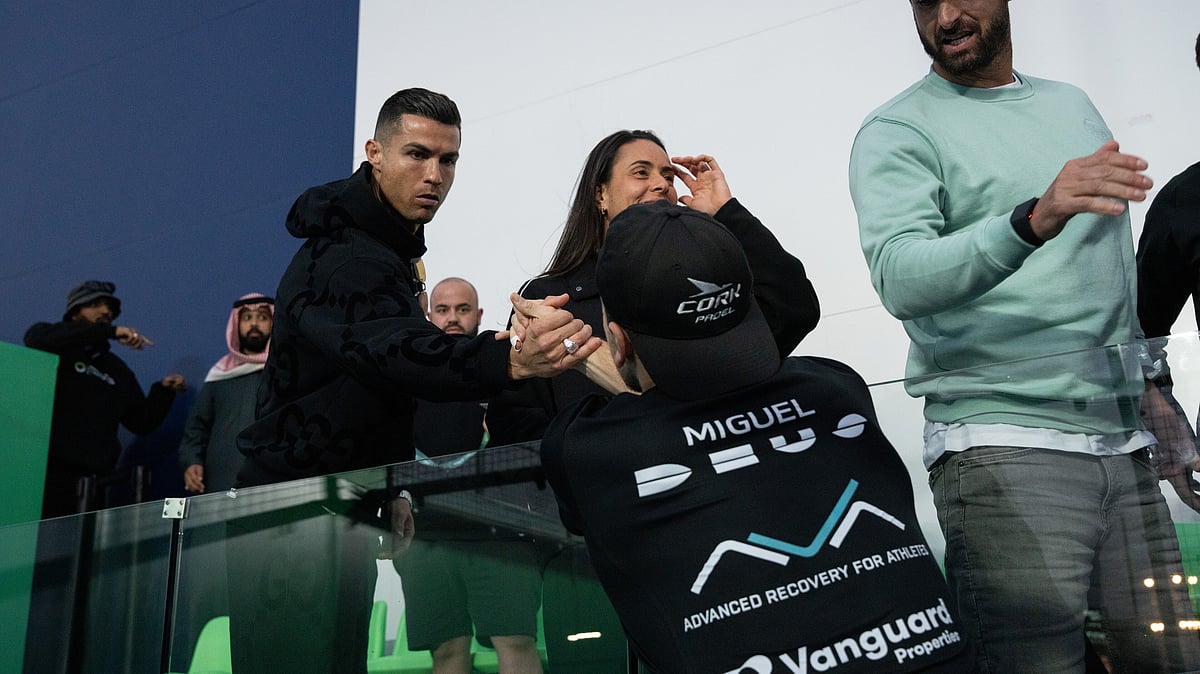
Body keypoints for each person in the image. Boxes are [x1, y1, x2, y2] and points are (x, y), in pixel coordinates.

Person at [849, 1, 1200, 670]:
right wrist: (1032, 219)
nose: (946, 16)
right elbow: (899, 275)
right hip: (1004, 448)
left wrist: (1151, 398)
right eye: (926, 3)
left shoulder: (1072, 104)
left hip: (1124, 449)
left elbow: (1107, 275)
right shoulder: (897, 130)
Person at [227, 88, 598, 674]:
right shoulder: (349, 259)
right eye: (417, 155)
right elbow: (393, 351)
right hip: (290, 521)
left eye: (448, 160)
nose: (434, 175)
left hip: (331, 510)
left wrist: (390, 488)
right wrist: (507, 362)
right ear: (375, 152)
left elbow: (368, 389)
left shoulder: (382, 249)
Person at [541, 201, 973, 673]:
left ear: (620, 340)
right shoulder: (836, 388)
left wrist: (585, 353)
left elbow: (641, 423)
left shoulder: (588, 447)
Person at [486, 130, 821, 445]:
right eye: (641, 173)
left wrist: (726, 212)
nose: (661, 185)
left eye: (668, 176)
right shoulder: (547, 299)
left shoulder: (707, 275)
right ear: (600, 194)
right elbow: (514, 423)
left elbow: (794, 309)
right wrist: (594, 457)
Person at [395, 276, 544, 674]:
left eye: (462, 310)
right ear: (429, 313)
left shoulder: (505, 368)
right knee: (446, 652)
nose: (452, 319)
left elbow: (534, 440)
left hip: (501, 533)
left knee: (515, 643)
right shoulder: (407, 376)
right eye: (442, 310)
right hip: (427, 539)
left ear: (478, 315)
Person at [24, 279, 186, 518]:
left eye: (109, 308)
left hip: (94, 484)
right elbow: (34, 338)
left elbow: (140, 422)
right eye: (95, 305)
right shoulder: (53, 342)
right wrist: (111, 332)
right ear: (75, 310)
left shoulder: (115, 369)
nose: (105, 312)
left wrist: (163, 391)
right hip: (44, 476)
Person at [179, 293, 274, 495]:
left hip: (273, 481)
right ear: (236, 324)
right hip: (221, 481)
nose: (254, 324)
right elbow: (196, 429)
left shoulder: (282, 372)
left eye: (263, 317)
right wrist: (191, 462)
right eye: (247, 317)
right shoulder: (220, 374)